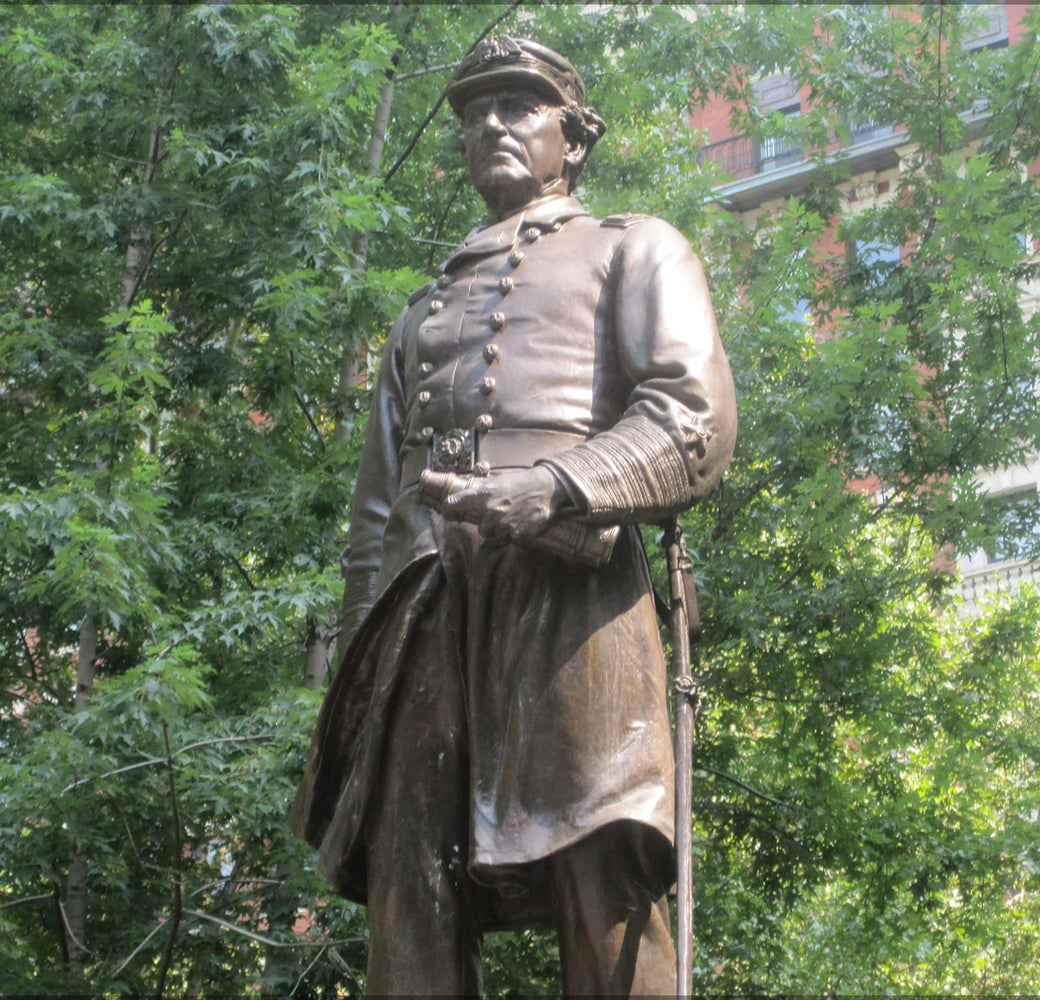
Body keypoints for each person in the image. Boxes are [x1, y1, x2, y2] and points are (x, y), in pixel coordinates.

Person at [290, 35, 736, 996]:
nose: (489, 123)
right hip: (424, 620)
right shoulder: (420, 314)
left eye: (517, 105)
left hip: (572, 598)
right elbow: (375, 518)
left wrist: (553, 488)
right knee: (413, 886)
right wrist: (361, 687)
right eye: (472, 112)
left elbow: (691, 416)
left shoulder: (635, 248)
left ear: (571, 138)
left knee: (600, 867)